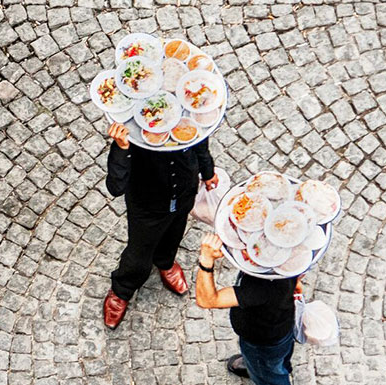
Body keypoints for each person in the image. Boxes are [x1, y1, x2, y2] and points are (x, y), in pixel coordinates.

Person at [103, 122, 219, 329]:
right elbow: (115, 186)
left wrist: (207, 171)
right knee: (139, 254)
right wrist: (121, 147)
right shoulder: (135, 134)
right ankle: (122, 289)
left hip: (184, 193)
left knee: (174, 235)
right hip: (147, 204)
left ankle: (165, 262)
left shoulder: (186, 121)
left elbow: (200, 140)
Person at [194, 233, 300, 385]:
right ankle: (268, 366)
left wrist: (206, 259)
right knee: (278, 360)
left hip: (262, 342)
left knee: (270, 377)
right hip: (283, 324)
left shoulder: (260, 287)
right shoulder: (290, 259)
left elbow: (207, 300)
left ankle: (260, 369)